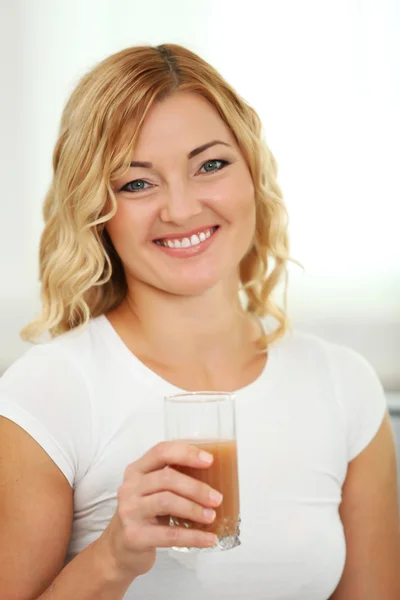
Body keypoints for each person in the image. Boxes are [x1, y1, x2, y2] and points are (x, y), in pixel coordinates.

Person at [0, 43, 399, 600]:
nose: (182, 209)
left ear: (252, 173)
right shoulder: (46, 395)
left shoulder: (343, 386)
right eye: (137, 182)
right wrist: (114, 557)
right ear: (96, 210)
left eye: (210, 165)